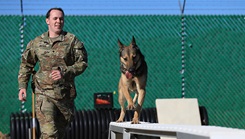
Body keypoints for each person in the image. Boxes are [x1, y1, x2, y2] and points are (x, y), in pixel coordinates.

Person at [18, 7, 88, 139]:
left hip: (64, 96)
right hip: (43, 94)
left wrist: (65, 72)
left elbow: (82, 63)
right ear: (47, 21)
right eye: (55, 18)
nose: (58, 21)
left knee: (58, 135)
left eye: (61, 18)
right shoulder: (37, 43)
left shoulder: (72, 41)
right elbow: (26, 64)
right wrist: (22, 86)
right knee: (50, 133)